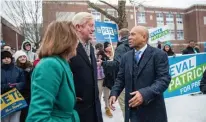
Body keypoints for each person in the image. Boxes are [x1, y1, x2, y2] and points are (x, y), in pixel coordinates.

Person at [109, 26, 171, 122]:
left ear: (144, 37)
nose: (129, 37)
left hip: (153, 112)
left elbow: (163, 80)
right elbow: (120, 78)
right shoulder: (126, 57)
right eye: (129, 35)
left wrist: (144, 94)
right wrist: (114, 93)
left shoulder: (159, 55)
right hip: (133, 112)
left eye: (133, 34)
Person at [26, 21, 80, 122]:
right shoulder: (50, 65)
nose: (77, 42)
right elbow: (38, 118)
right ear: (66, 40)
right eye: (75, 38)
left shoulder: (61, 63)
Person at [70, 12, 103, 122]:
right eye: (91, 25)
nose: (93, 29)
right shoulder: (68, 49)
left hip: (94, 111)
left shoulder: (91, 48)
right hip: (78, 111)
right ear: (78, 27)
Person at [102, 28, 131, 118]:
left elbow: (118, 64)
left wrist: (103, 63)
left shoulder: (121, 47)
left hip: (124, 81)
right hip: (133, 80)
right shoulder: (132, 45)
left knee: (125, 105)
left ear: (120, 36)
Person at [1, 50, 25, 122]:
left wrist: (15, 86)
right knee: (4, 120)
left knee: (15, 120)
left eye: (8, 57)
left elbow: (23, 83)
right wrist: (7, 86)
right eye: (4, 57)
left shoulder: (19, 70)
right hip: (3, 100)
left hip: (16, 99)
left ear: (11, 58)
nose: (6, 59)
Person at [13, 50, 33, 122]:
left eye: (24, 56)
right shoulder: (15, 69)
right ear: (17, 59)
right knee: (21, 115)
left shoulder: (31, 67)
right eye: (20, 57)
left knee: (29, 112)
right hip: (19, 94)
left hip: (30, 93)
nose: (22, 58)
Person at [95, 43, 113, 118]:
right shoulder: (94, 56)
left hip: (106, 78)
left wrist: (108, 59)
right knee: (98, 94)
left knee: (107, 95)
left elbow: (110, 65)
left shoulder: (106, 56)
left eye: (101, 48)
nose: (100, 50)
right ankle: (97, 109)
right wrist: (97, 62)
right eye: (98, 49)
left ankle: (107, 108)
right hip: (98, 78)